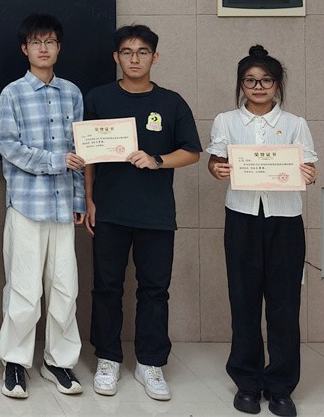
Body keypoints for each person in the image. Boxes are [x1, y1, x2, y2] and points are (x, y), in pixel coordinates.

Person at [82, 24, 201, 401]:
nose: (135, 59)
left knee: (154, 290)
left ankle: (150, 363)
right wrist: (89, 199)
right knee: (106, 288)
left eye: (143, 52)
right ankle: (108, 359)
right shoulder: (98, 98)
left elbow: (192, 152)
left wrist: (157, 159)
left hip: (156, 214)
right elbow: (88, 155)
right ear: (116, 57)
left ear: (155, 57)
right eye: (127, 52)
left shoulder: (172, 102)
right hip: (109, 210)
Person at [206, 46, 318, 417]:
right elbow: (216, 161)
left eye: (266, 80)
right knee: (244, 300)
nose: (258, 87)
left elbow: (309, 167)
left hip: (285, 220)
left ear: (277, 85)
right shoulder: (226, 121)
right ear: (241, 84)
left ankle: (281, 387)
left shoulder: (296, 123)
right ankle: (247, 383)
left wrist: (309, 174)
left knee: (285, 304)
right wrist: (217, 169)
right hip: (241, 217)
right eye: (250, 80)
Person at [0, 14, 86, 399]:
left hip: (63, 207)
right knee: (24, 288)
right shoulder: (12, 93)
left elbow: (79, 151)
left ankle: (57, 362)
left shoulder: (72, 93)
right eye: (36, 42)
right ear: (25, 49)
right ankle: (15, 362)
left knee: (65, 289)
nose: (43, 48)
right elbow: (9, 147)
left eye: (49, 42)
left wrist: (79, 198)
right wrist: (55, 162)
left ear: (59, 48)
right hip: (26, 205)